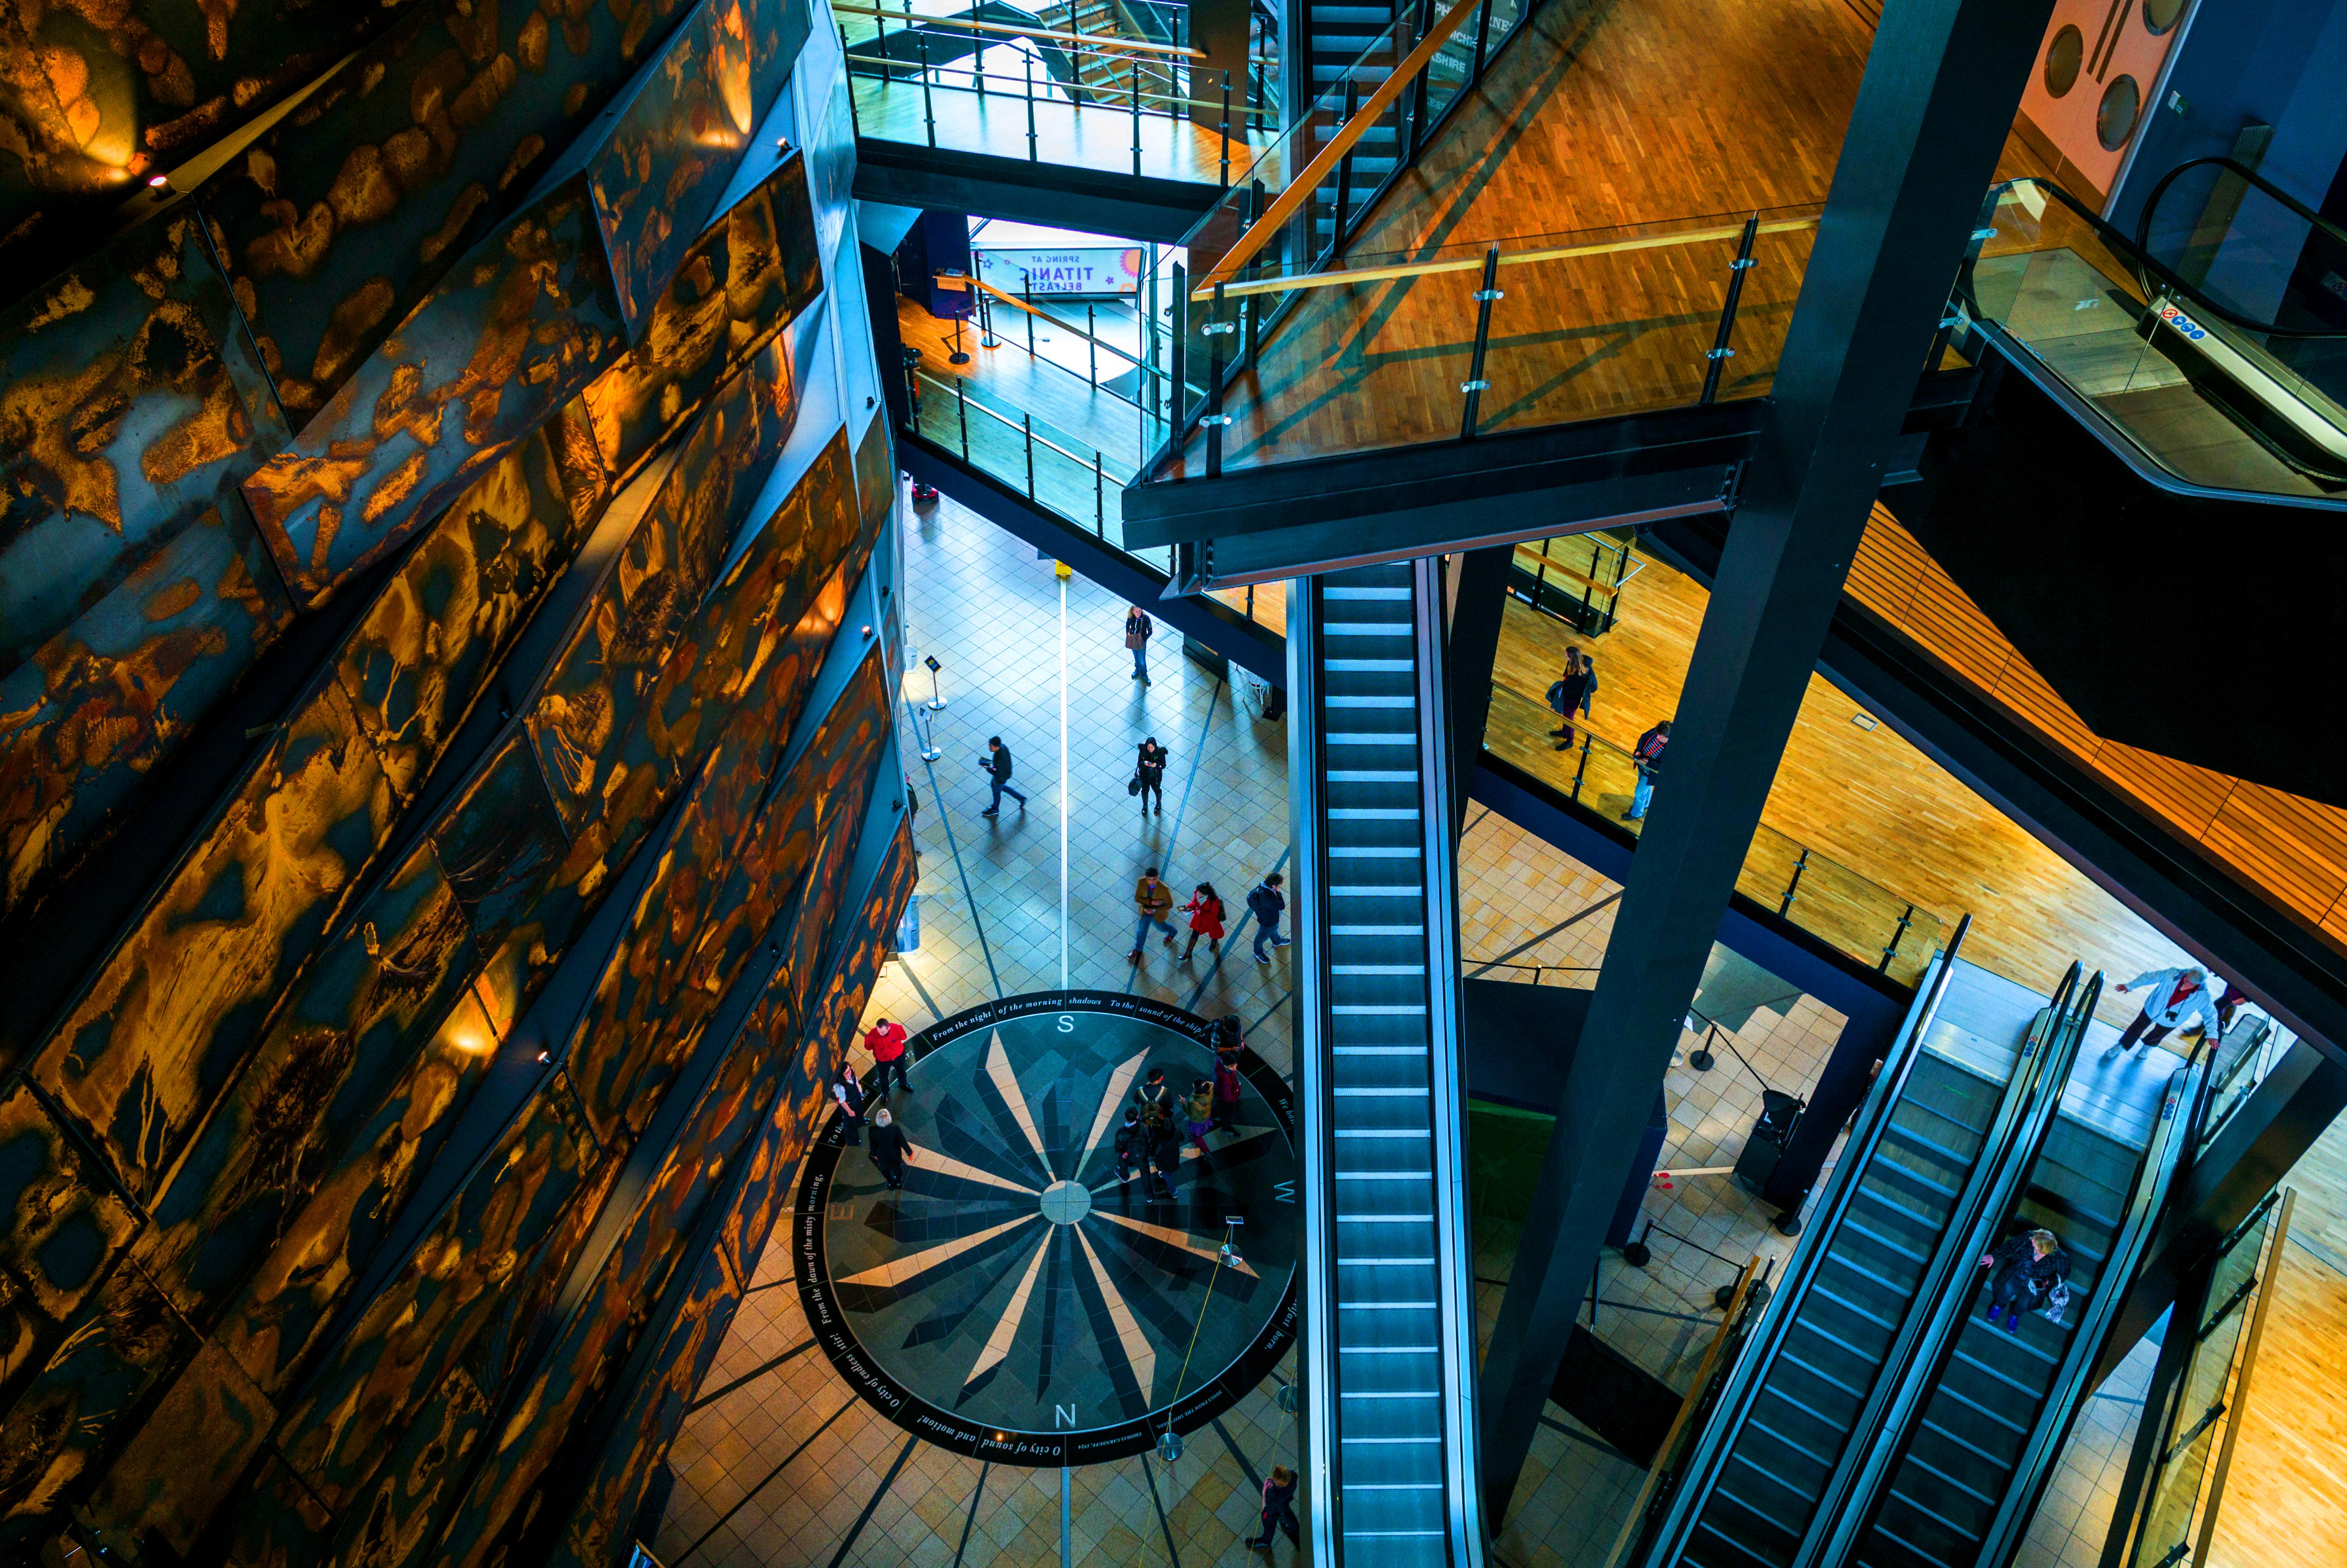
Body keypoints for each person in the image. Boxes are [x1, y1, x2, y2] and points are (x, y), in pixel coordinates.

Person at [2103, 965, 2222, 1060]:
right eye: (2186, 979)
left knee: (2157, 1035)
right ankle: (2122, 1046)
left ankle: (2148, 1047)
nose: (2185, 983)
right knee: (2137, 1027)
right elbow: (2150, 977)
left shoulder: (2203, 996)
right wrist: (2131, 986)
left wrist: (2212, 1034)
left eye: (2190, 983)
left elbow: (2210, 1015)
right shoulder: (2172, 974)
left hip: (2171, 1021)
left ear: (2198, 984)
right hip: (2152, 1009)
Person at [1978, 1227, 2070, 1332]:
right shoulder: (2028, 1237)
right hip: (2018, 1272)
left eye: (2035, 1241)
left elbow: (2064, 1274)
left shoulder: (2059, 1258)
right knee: (2006, 1291)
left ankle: (2015, 1315)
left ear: (2042, 1249)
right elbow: (2011, 1245)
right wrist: (1994, 1256)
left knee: (2025, 1302)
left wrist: (2048, 1281)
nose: (2032, 1239)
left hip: (2035, 1283)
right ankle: (1998, 1305)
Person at [1545, 647, 1596, 751]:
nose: (1566, 656)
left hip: (1573, 699)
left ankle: (1570, 742)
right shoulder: (1574, 664)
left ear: (1572, 658)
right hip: (1568, 695)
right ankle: (1564, 732)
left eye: (1567, 656)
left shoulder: (1583, 674)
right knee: (1566, 716)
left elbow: (1593, 688)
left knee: (1569, 719)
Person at [1129, 868, 1177, 962]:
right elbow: (1137, 898)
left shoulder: (1164, 889)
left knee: (1162, 928)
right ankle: (1138, 949)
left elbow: (1170, 905)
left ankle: (1173, 932)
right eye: (1149, 880)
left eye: (1154, 879)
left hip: (1157, 915)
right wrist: (1151, 902)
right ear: (1146, 878)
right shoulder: (1142, 882)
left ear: (1158, 877)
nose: (1152, 882)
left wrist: (1155, 910)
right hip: (1144, 912)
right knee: (1141, 932)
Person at [1247, 1466, 1300, 1550]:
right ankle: (1298, 1532)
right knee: (1290, 1519)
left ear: (1277, 1483)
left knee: (1269, 1525)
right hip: (1285, 1503)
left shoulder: (1274, 1498)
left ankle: (1266, 1541)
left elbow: (1266, 1509)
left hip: (1275, 1509)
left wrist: (1264, 1491)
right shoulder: (1293, 1476)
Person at [1627, 719, 1671, 820]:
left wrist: (1649, 763)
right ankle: (1646, 804)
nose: (1657, 737)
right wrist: (1638, 750)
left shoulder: (1670, 750)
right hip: (1642, 768)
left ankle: (1636, 813)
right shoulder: (1656, 732)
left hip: (1651, 774)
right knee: (1645, 790)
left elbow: (1664, 766)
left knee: (1639, 792)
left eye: (1661, 737)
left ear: (1668, 738)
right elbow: (1643, 738)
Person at [868, 1106, 915, 1190]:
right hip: (895, 1155)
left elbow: (873, 1145)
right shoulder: (895, 1129)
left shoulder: (872, 1130)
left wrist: (874, 1154)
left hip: (882, 1156)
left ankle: (890, 1182)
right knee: (897, 1169)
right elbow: (903, 1142)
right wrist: (910, 1153)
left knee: (885, 1170)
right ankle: (899, 1181)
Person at [863, 1016, 911, 1098]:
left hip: (898, 1056)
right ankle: (885, 1092)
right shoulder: (872, 1036)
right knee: (883, 1077)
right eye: (879, 1031)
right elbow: (868, 1047)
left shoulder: (897, 1029)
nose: (880, 1034)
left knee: (902, 1071)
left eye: (883, 1032)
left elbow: (904, 1037)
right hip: (883, 1061)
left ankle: (903, 1084)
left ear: (889, 1028)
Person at [1247, 872, 1289, 962]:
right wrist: (1278, 893)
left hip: (1272, 918)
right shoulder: (1267, 898)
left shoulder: (1264, 886)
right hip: (1268, 922)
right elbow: (1282, 905)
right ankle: (1258, 952)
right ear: (1274, 886)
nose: (1279, 887)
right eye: (1279, 886)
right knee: (1261, 938)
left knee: (1274, 929)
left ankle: (1277, 941)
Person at [979, 736, 1026, 816]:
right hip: (1005, 774)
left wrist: (987, 768)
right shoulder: (1003, 747)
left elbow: (998, 773)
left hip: (1000, 778)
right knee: (1003, 788)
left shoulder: (1000, 759)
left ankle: (995, 810)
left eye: (991, 747)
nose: (989, 748)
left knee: (996, 792)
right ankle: (1021, 798)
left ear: (996, 747)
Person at [1181, 881, 1226, 961]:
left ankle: (1214, 941)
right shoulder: (1198, 893)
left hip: (1209, 922)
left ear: (1205, 894)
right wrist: (1190, 907)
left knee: (1214, 933)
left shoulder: (1214, 901)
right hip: (1199, 921)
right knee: (1194, 935)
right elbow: (1195, 902)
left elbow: (1213, 915)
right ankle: (1188, 953)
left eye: (1199, 892)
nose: (1197, 893)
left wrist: (1201, 913)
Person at [1148, 1106, 1183, 1200]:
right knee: (1169, 1171)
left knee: (1166, 1175)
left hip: (1164, 1162)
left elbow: (1154, 1153)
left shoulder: (1160, 1142)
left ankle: (1173, 1191)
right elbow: (1182, 1138)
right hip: (1175, 1158)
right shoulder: (1177, 1132)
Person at [1114, 1106, 1148, 1196]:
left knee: (1122, 1161)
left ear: (1125, 1116)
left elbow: (1118, 1148)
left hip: (1128, 1156)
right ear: (1137, 1117)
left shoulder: (1121, 1132)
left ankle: (1124, 1176)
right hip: (1141, 1154)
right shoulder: (1143, 1127)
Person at [831, 1060, 867, 1147]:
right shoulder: (840, 1087)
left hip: (856, 1099)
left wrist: (860, 1093)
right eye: (847, 1072)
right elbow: (842, 1102)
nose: (850, 1072)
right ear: (841, 1075)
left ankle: (861, 1122)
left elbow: (856, 1082)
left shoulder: (851, 1073)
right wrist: (850, 1111)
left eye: (850, 1069)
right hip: (849, 1105)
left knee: (860, 1112)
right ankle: (852, 1141)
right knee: (850, 1124)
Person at [1211, 1047, 1244, 1133]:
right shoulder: (1226, 1080)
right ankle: (1226, 1128)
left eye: (1236, 1064)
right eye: (1232, 1067)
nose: (1235, 1068)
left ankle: (1212, 1115)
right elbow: (1228, 1097)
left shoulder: (1220, 1062)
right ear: (1225, 1066)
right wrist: (1234, 1099)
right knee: (1229, 1113)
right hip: (1229, 1099)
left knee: (1219, 1103)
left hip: (1221, 1095)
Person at [1135, 736, 1168, 816]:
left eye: (1152, 747)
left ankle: (1159, 804)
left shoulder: (1160, 752)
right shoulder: (1143, 751)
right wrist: (1144, 763)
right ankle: (1145, 806)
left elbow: (1163, 765)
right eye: (1149, 747)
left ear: (1155, 746)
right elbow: (1139, 764)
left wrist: (1156, 765)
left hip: (1156, 777)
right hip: (1145, 776)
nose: (1150, 749)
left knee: (1157, 790)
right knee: (1145, 791)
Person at [1125, 605, 1155, 684]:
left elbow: (1150, 631)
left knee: (1142, 660)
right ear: (1133, 611)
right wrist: (1128, 635)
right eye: (1136, 612)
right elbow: (1128, 625)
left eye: (1140, 611)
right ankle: (1138, 671)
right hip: (1133, 641)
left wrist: (1144, 640)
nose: (1139, 613)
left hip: (1141, 642)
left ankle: (1144, 675)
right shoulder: (1131, 617)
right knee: (1136, 657)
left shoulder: (1146, 619)